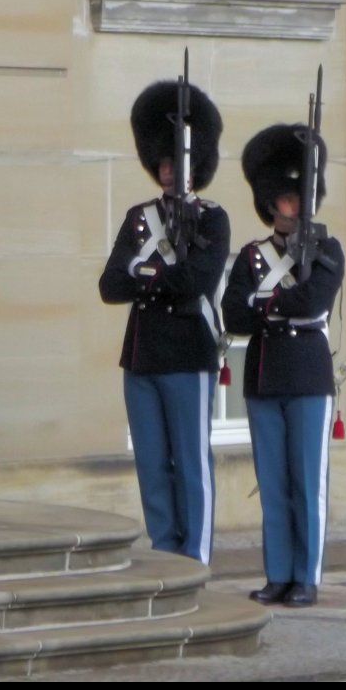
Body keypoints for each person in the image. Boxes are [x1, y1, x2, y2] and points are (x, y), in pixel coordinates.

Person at [98, 79, 230, 565]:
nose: (171, 172)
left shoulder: (212, 219)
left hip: (188, 352)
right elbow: (111, 284)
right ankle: (163, 553)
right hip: (142, 355)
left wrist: (145, 272)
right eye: (165, 163)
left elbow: (197, 280)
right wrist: (158, 274)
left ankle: (194, 558)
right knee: (152, 465)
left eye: (180, 163)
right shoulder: (139, 218)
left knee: (191, 464)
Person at [222, 124, 344, 607]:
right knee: (272, 482)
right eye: (286, 199)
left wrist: (269, 303)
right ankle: (278, 574)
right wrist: (276, 304)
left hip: (308, 375)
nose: (294, 206)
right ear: (271, 203)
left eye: (300, 197)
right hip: (263, 376)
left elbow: (314, 300)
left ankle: (306, 577)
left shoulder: (326, 250)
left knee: (306, 483)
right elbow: (232, 312)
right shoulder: (252, 256)